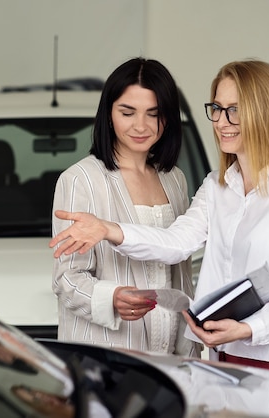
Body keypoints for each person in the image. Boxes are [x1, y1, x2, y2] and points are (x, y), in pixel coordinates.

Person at [49, 59, 269, 383]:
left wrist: (249, 328)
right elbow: (176, 242)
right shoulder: (217, 186)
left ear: (267, 113)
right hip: (223, 350)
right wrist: (108, 229)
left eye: (235, 110)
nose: (222, 122)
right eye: (217, 108)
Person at [51, 57, 199, 357]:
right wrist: (112, 297)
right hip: (109, 357)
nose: (141, 126)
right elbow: (66, 278)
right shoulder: (81, 180)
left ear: (167, 118)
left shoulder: (175, 180)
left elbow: (181, 268)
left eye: (153, 114)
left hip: (174, 355)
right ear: (108, 114)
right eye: (127, 112)